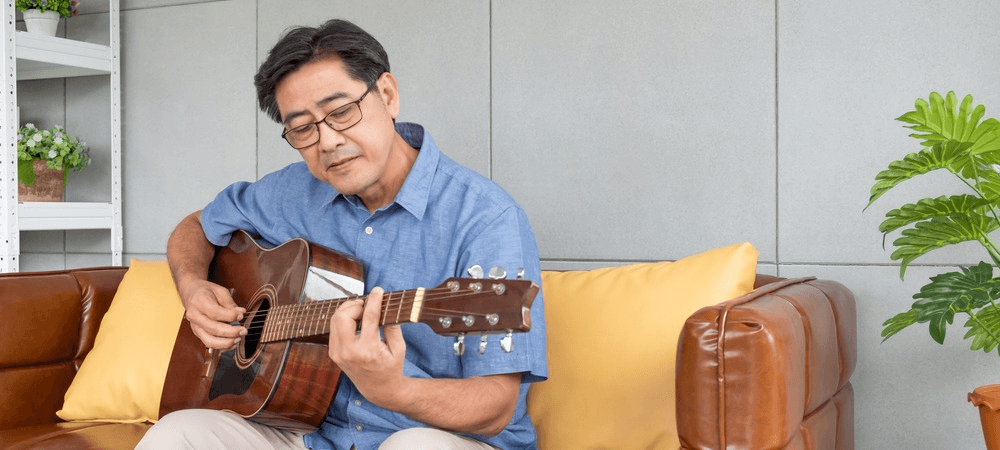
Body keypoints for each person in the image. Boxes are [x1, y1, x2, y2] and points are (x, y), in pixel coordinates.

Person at [136, 18, 547, 450]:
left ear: (387, 95)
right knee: (176, 434)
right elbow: (196, 227)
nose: (327, 141)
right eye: (302, 128)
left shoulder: (485, 216)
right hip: (310, 433)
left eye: (341, 112)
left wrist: (395, 391)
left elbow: (497, 406)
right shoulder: (290, 192)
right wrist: (192, 286)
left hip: (438, 438)